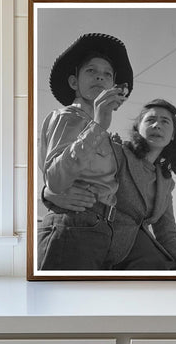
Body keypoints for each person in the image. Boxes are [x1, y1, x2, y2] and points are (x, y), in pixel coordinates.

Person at [44, 99, 176, 271]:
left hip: (130, 258)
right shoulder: (117, 152)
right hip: (85, 243)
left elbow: (168, 234)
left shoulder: (166, 183)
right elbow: (71, 172)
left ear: (173, 134)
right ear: (138, 128)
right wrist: (47, 193)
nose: (157, 125)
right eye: (150, 120)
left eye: (165, 121)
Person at [38, 33, 133, 270]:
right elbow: (55, 179)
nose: (100, 75)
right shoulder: (67, 116)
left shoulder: (106, 135)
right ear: (73, 82)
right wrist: (98, 125)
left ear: (114, 87)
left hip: (101, 232)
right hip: (72, 228)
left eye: (107, 74)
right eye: (91, 70)